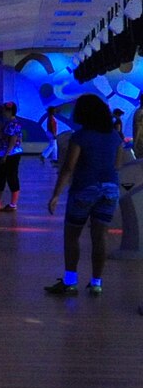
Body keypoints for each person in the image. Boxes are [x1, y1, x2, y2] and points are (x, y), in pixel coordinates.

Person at [45, 94, 123, 296]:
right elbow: (117, 165)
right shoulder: (115, 136)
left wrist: (55, 195)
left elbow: (68, 168)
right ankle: (96, 283)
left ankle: (70, 282)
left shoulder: (80, 136)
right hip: (110, 189)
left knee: (72, 236)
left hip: (84, 189)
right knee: (100, 236)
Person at [0, 101, 23, 212]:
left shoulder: (15, 124)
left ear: (10, 111)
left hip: (12, 154)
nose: (3, 112)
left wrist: (6, 155)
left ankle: (13, 204)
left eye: (5, 110)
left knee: (12, 178)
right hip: (3, 153)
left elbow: (13, 141)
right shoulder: (7, 123)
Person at [133, 93, 143, 158]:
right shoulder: (140, 112)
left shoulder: (139, 112)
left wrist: (135, 144)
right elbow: (138, 128)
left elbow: (138, 129)